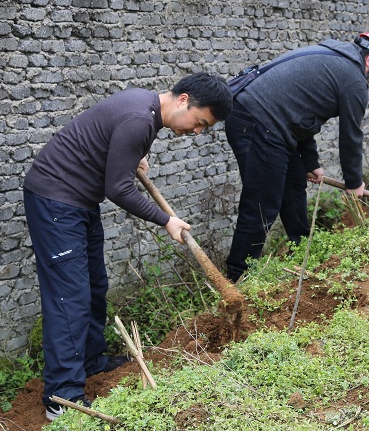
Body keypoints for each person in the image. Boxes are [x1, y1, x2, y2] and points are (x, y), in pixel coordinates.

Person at [23, 73, 232, 420]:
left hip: (78, 203)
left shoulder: (145, 109)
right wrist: (166, 220)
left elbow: (109, 146)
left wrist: (129, 156)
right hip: (56, 202)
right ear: (182, 100)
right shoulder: (139, 119)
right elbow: (119, 188)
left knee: (94, 286)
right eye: (199, 122)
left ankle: (89, 361)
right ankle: (62, 397)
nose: (197, 132)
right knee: (69, 297)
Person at [224, 28, 369, 282]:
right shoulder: (353, 79)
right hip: (257, 121)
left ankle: (301, 248)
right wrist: (354, 183)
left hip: (268, 122)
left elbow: (301, 115)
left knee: (294, 182)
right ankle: (236, 278)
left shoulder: (334, 55)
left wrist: (311, 163)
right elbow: (351, 136)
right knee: (263, 203)